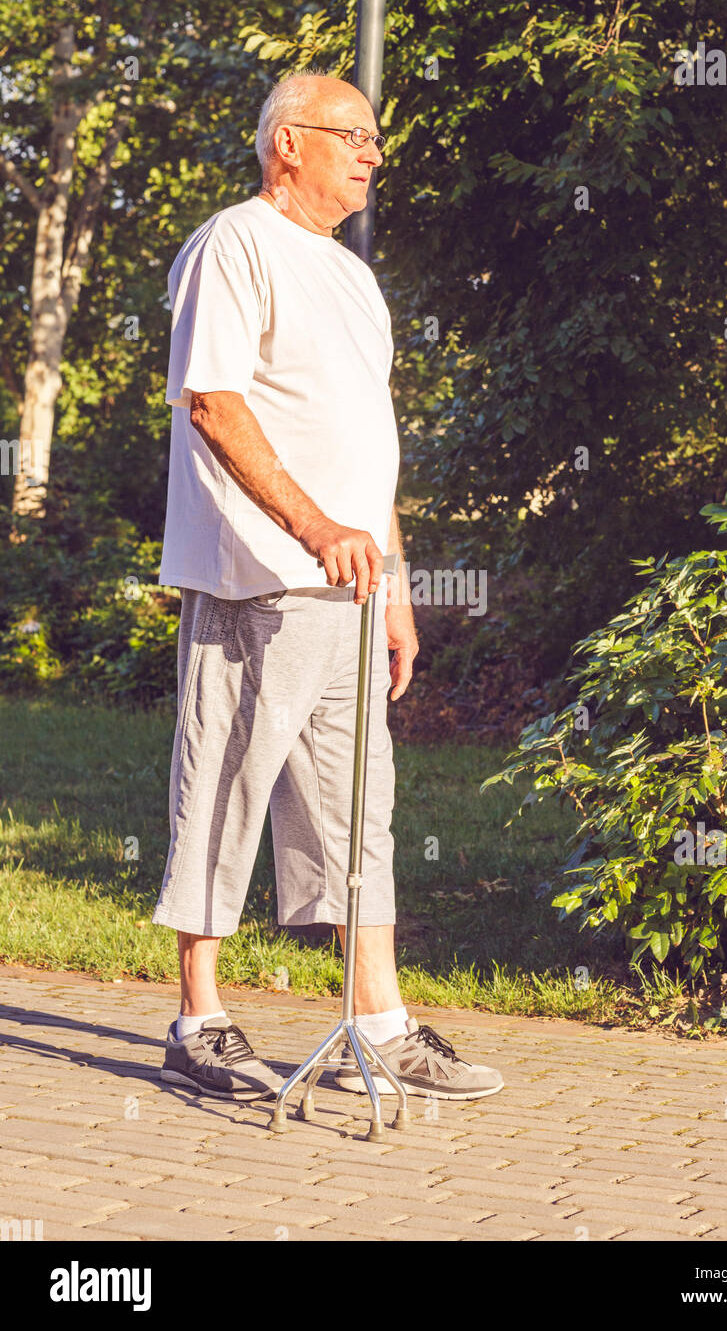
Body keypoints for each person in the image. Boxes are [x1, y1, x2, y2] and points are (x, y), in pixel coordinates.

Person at [152, 71, 504, 1105]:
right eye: (350, 134)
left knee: (361, 808)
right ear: (284, 144)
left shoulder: (351, 276)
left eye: (374, 137)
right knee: (224, 784)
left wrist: (391, 586)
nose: (371, 152)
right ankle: (199, 1018)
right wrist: (312, 529)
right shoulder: (234, 244)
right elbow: (212, 404)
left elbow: (368, 453)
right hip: (257, 580)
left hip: (348, 592)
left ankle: (380, 1022)